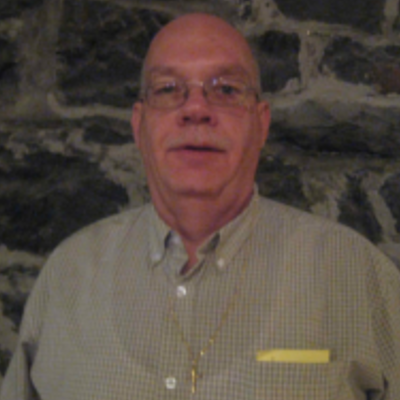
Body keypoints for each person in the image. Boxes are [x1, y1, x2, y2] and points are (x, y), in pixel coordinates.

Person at [1, 12, 400, 400]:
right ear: (139, 126)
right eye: (167, 89)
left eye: (226, 89)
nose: (195, 109)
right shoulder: (67, 277)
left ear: (261, 124)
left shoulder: (356, 276)